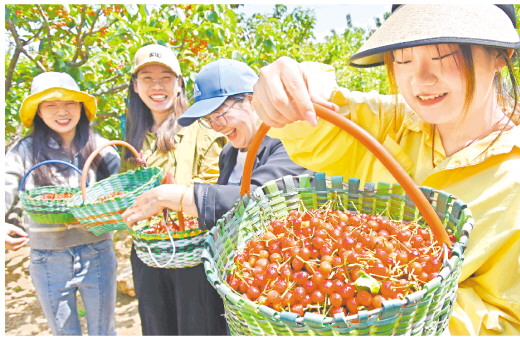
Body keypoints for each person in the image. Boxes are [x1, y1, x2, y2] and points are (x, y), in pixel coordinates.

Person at [249, 4, 520, 336]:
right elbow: (314, 125)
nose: (421, 79)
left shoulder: (519, 172)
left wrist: (398, 320)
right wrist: (295, 87)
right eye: (404, 59)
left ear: (501, 55)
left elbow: (512, 320)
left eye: (445, 55)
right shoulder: (389, 122)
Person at [121, 58, 314, 330]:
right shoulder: (230, 153)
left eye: (221, 114)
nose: (218, 126)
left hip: (281, 293)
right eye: (210, 120)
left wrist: (172, 196)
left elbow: (259, 199)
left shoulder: (290, 143)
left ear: (251, 99)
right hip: (245, 287)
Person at [120, 44, 227, 336]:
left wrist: (168, 198)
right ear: (135, 86)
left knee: (198, 327)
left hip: (192, 254)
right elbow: (126, 191)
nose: (157, 86)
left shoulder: (202, 129)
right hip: (148, 252)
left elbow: (212, 191)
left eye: (166, 78)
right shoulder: (133, 136)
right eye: (148, 78)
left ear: (179, 84)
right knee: (157, 327)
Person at [4, 72, 121, 335]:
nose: (62, 111)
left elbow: (122, 189)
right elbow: (5, 186)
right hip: (48, 258)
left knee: (104, 332)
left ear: (81, 107)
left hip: (97, 253)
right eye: (51, 105)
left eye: (70, 102)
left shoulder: (101, 148)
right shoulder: (25, 151)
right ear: (38, 112)